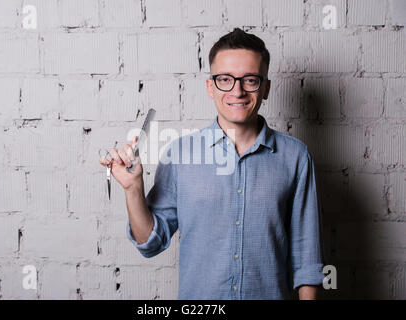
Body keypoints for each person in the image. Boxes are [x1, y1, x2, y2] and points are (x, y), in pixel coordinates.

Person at [100, 28, 325, 300]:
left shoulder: (295, 157)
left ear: (265, 88)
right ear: (210, 87)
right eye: (225, 79)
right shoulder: (180, 155)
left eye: (250, 80)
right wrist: (133, 189)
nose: (237, 91)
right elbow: (151, 243)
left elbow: (307, 260)